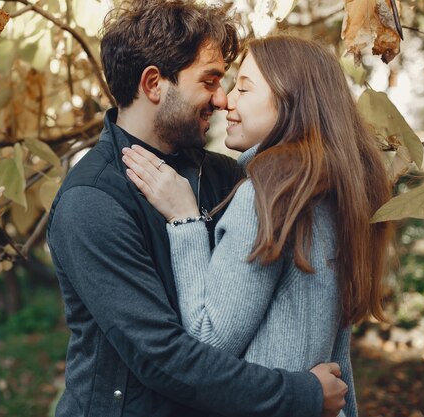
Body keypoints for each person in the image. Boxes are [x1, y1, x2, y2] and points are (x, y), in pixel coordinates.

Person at [47, 2, 347, 416]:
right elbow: (163, 358)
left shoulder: (228, 177)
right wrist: (301, 395)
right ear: (154, 83)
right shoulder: (92, 202)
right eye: (210, 81)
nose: (222, 100)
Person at [122, 35, 395, 417]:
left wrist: (184, 220)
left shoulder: (267, 195)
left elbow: (208, 341)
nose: (226, 100)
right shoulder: (337, 194)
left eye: (243, 88)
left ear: (291, 101)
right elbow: (338, 361)